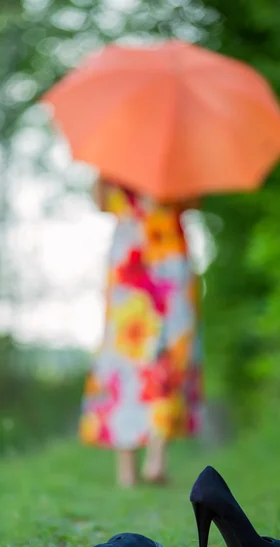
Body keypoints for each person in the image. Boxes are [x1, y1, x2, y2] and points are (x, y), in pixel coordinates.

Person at [79, 178, 202, 487]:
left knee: (127, 360)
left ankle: (130, 469)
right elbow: (193, 204)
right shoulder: (175, 157)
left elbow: (102, 203)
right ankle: (155, 460)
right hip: (166, 255)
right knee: (165, 357)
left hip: (132, 259)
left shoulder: (116, 154)